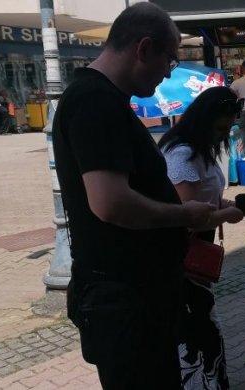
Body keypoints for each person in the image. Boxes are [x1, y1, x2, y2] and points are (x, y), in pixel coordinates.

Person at [52, 3, 215, 389]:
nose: (167, 72)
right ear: (144, 49)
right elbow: (111, 202)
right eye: (169, 60)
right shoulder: (96, 102)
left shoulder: (103, 100)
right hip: (125, 304)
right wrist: (184, 215)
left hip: (135, 300)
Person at [159, 87, 245, 389]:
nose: (224, 134)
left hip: (195, 261)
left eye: (228, 127)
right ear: (203, 120)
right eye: (220, 127)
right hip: (181, 263)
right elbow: (183, 219)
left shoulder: (199, 148)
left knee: (205, 333)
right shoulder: (181, 155)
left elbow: (207, 200)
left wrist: (234, 206)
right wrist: (224, 216)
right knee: (197, 338)